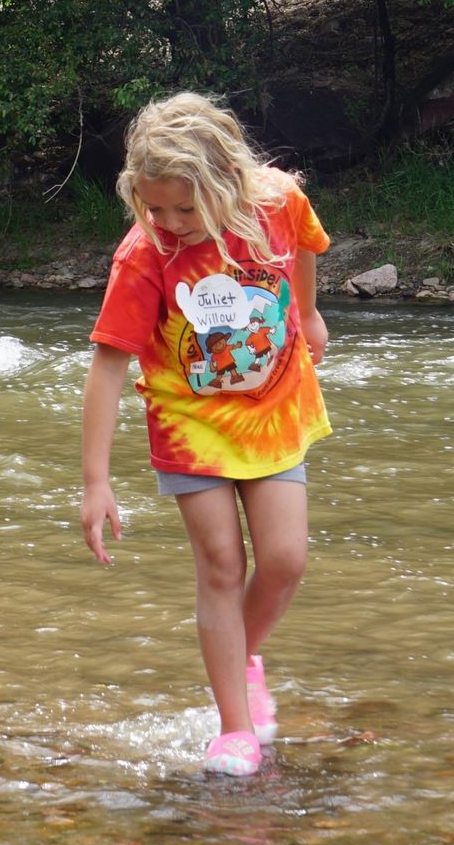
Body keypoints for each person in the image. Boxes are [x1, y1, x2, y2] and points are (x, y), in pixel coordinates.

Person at [80, 92, 330, 777]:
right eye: (153, 208)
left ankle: (241, 656)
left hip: (275, 407)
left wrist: (306, 317)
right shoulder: (144, 254)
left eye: (185, 210)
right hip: (189, 424)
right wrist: (96, 482)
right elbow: (107, 366)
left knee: (284, 560)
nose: (169, 223)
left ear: (228, 184)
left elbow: (306, 245)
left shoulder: (276, 202)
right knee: (222, 564)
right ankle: (235, 729)